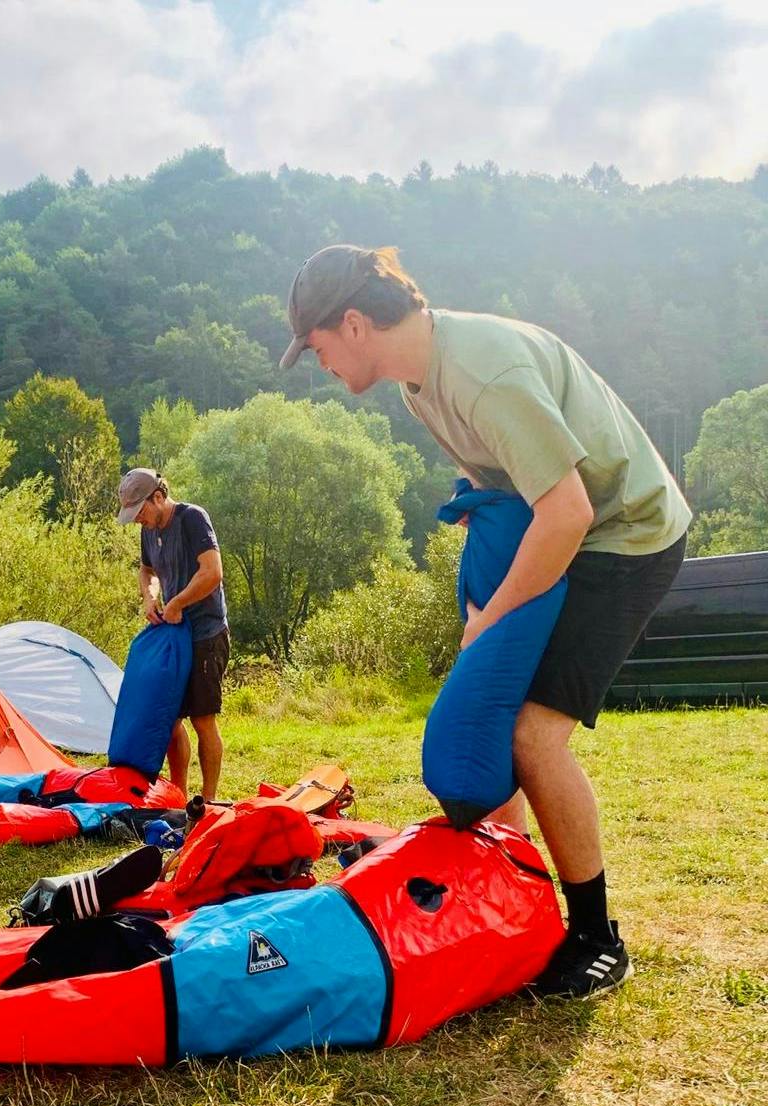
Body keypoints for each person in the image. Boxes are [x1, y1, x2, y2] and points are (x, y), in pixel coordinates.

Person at [280, 244, 691, 999]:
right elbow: (487, 479)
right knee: (492, 716)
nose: (321, 363)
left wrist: (489, 621)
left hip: (625, 535)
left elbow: (565, 512)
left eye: (317, 347)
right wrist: (483, 582)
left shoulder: (483, 373)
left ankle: (598, 938)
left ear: (354, 323)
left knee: (533, 735)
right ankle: (514, 904)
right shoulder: (419, 385)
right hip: (567, 526)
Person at [117, 468, 230, 803]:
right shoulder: (149, 531)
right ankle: (178, 797)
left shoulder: (193, 519)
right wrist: (150, 597)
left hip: (206, 633)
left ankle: (207, 802)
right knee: (169, 718)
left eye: (140, 512)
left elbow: (212, 573)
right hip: (173, 636)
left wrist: (178, 601)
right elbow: (147, 570)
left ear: (158, 496)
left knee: (202, 719)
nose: (138, 520)